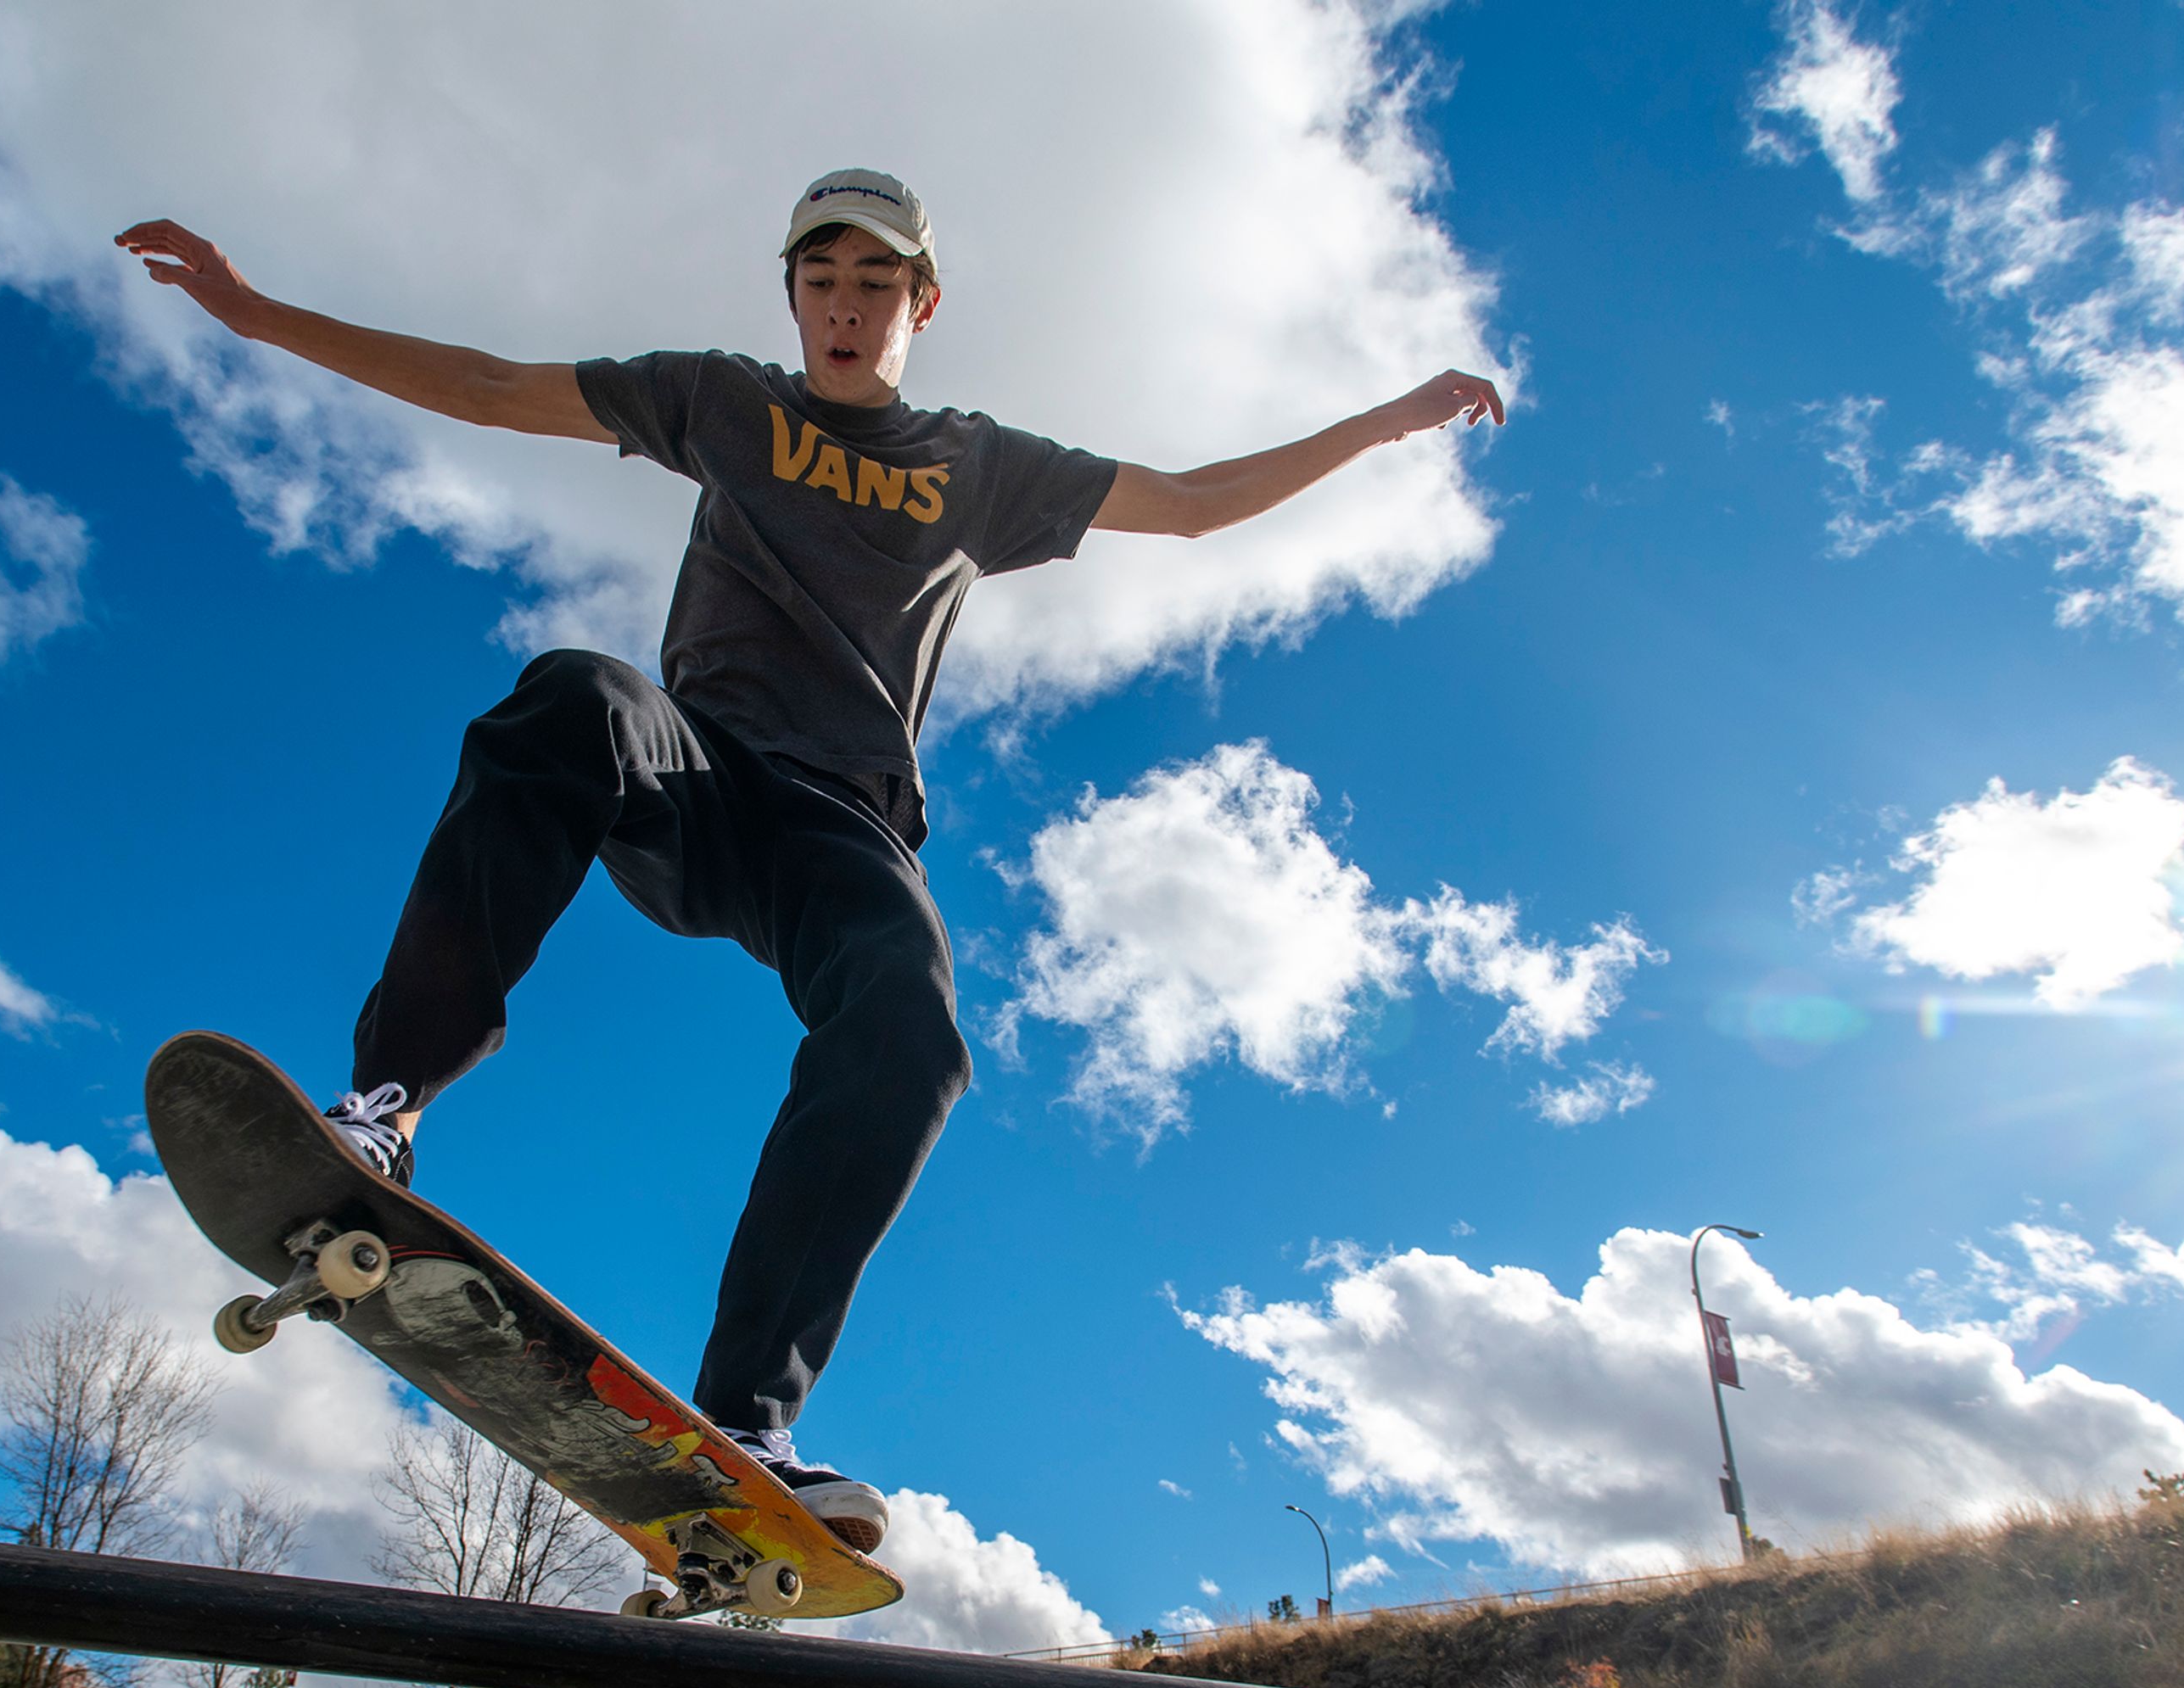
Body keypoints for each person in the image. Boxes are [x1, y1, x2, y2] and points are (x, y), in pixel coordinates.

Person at [118, 170, 1501, 1554]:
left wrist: (1391, 418)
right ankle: (386, 1102)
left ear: (922, 301)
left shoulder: (982, 466)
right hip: (693, 773)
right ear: (792, 296)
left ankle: (746, 1419)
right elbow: (490, 386)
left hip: (841, 828)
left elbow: (1199, 501)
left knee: (913, 1034)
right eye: (822, 281)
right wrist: (251, 314)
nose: (846, 309)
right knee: (572, 695)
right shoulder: (721, 400)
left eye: (876, 283)